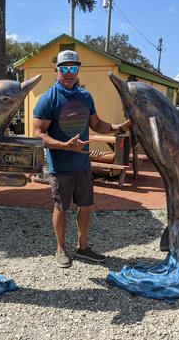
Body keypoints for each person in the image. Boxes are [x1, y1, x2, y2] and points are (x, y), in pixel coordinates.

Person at [33, 50, 131, 268]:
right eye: (65, 68)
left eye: (74, 68)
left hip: (83, 165)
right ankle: (60, 249)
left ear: (78, 70)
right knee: (61, 208)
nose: (69, 73)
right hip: (61, 166)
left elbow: (96, 124)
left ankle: (83, 247)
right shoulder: (47, 99)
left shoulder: (85, 96)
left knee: (86, 207)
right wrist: (64, 146)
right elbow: (38, 134)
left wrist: (117, 128)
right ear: (56, 70)